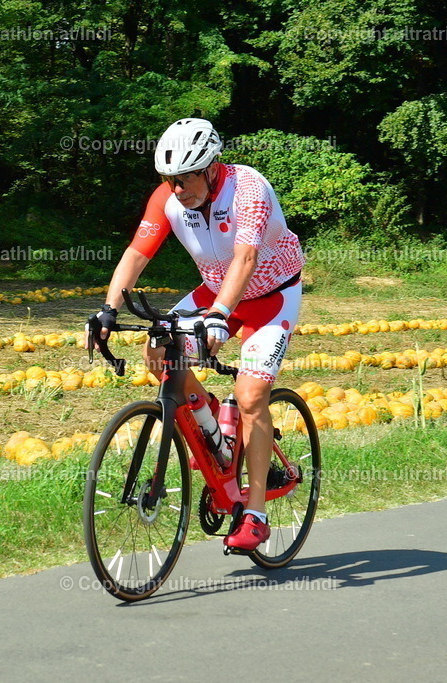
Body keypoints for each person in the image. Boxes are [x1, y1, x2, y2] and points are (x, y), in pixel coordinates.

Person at [89, 118, 305, 552]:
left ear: (211, 168)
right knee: (157, 352)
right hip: (212, 289)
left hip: (271, 296)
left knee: (249, 397)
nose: (177, 188)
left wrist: (220, 315)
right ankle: (214, 436)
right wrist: (107, 309)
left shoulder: (249, 190)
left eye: (185, 177)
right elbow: (137, 252)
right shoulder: (167, 199)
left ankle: (257, 513)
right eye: (169, 179)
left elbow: (245, 259)